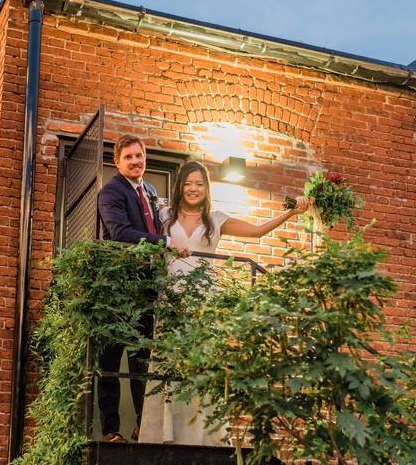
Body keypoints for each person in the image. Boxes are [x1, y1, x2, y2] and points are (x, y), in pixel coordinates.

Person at [138, 160, 308, 445]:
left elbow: (257, 231)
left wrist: (292, 212)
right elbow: (139, 233)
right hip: (171, 300)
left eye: (199, 184)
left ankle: (206, 437)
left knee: (203, 365)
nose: (193, 189)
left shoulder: (216, 220)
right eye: (188, 183)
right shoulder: (163, 215)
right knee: (170, 365)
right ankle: (165, 434)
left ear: (206, 189)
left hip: (204, 301)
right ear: (180, 186)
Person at [96, 134, 189, 443]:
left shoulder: (149, 190)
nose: (136, 161)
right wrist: (165, 243)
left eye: (139, 155)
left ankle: (142, 427)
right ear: (117, 162)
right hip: (117, 288)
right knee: (111, 361)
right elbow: (120, 233)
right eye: (129, 157)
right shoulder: (110, 193)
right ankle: (111, 431)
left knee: (141, 362)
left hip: (148, 288)